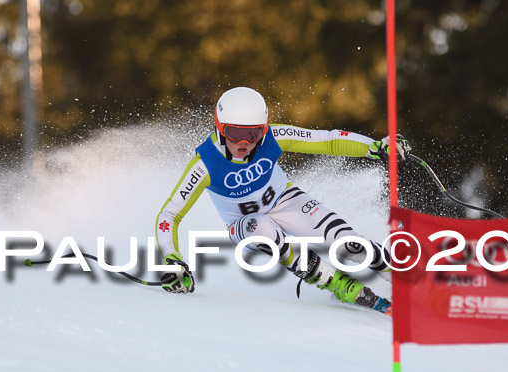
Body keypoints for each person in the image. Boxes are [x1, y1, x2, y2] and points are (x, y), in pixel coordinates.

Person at [155, 87, 411, 314]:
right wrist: (172, 259)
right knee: (263, 229)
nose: (243, 144)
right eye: (233, 134)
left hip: (285, 201)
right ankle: (338, 284)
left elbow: (328, 140)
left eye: (253, 135)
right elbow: (169, 215)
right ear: (219, 127)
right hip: (244, 225)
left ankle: (407, 280)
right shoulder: (204, 164)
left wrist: (376, 147)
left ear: (263, 130)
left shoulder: (274, 136)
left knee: (349, 244)